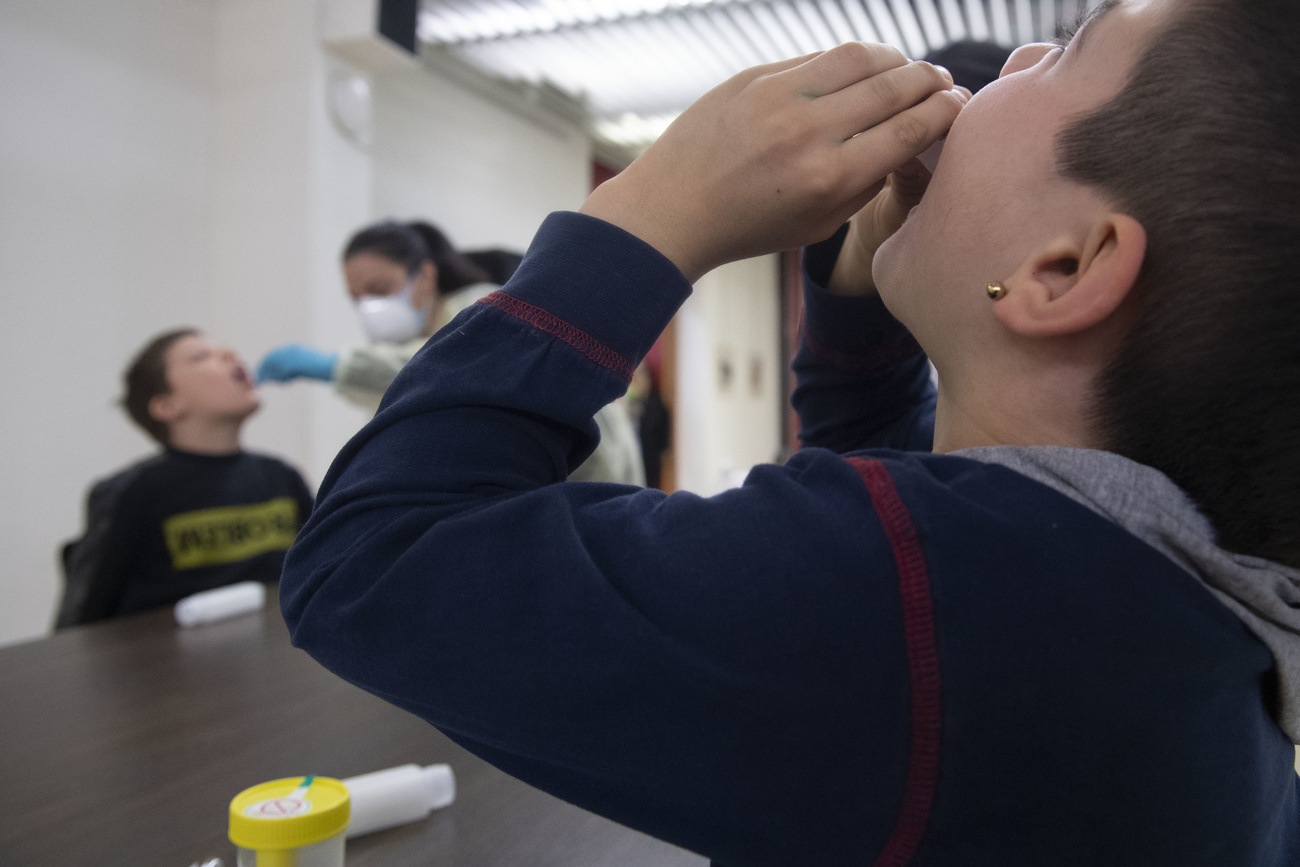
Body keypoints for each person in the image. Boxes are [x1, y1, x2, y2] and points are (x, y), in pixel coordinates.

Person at [280, 1, 1300, 863]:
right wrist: (866, 297)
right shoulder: (1108, 592)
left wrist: (647, 213)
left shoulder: (954, 605)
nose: (1022, 54)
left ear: (1064, 270)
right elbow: (905, 503)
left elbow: (373, 559)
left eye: (1069, 50)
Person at [256, 220, 645, 485]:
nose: (368, 309)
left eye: (379, 289)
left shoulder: (477, 305)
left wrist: (330, 366)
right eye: (356, 298)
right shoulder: (440, 328)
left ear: (424, 276)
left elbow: (437, 370)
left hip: (589, 475)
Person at [55, 330, 314, 628]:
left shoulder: (282, 477)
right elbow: (85, 611)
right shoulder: (131, 492)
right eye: (201, 356)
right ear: (167, 406)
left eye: (226, 349)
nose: (230, 354)